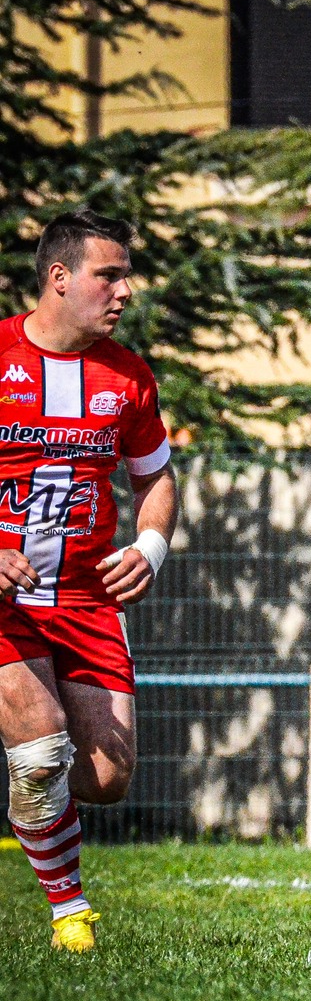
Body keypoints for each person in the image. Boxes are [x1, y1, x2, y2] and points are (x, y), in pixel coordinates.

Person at [0, 211, 176, 954]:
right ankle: (70, 912)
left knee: (104, 776)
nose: (125, 291)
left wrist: (152, 544)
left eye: (126, 275)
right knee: (41, 753)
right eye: (110, 274)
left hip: (85, 601)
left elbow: (157, 475)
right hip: (5, 603)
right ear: (59, 277)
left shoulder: (128, 375)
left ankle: (28, 793)